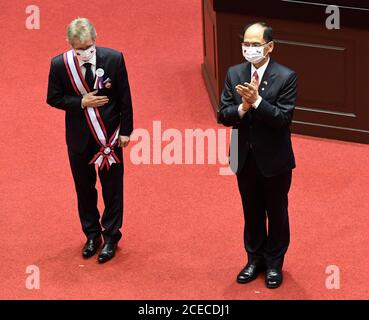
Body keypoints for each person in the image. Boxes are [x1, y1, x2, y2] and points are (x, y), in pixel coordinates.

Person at [47, 18, 133, 263]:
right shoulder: (59, 65)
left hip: (109, 137)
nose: (84, 53)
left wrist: (126, 131)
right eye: (79, 49)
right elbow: (53, 98)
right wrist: (80, 102)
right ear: (70, 44)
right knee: (84, 188)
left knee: (112, 188)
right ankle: (92, 235)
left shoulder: (114, 59)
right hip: (79, 139)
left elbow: (125, 97)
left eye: (88, 47)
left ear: (95, 38)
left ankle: (112, 236)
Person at [219, 22, 297, 288]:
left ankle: (274, 263)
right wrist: (242, 106)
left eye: (255, 45)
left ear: (269, 46)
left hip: (274, 160)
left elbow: (282, 119)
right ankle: (254, 259)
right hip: (244, 158)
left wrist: (258, 103)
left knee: (276, 212)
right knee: (251, 211)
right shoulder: (234, 73)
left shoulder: (286, 77)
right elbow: (223, 114)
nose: (249, 49)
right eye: (246, 44)